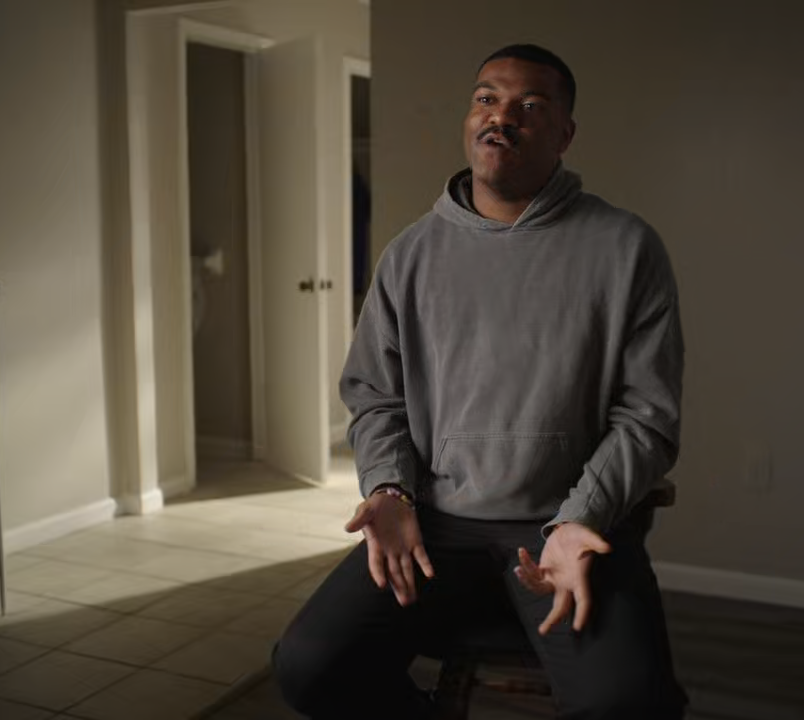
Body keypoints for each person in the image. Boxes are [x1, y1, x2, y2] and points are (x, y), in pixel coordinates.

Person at [272, 43, 689, 720]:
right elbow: (374, 397)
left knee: (627, 704)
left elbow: (647, 417)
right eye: (487, 98)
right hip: (436, 526)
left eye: (530, 105)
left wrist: (580, 518)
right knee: (308, 668)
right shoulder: (409, 255)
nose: (502, 116)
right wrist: (388, 487)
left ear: (564, 134)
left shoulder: (625, 248)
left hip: (564, 523)